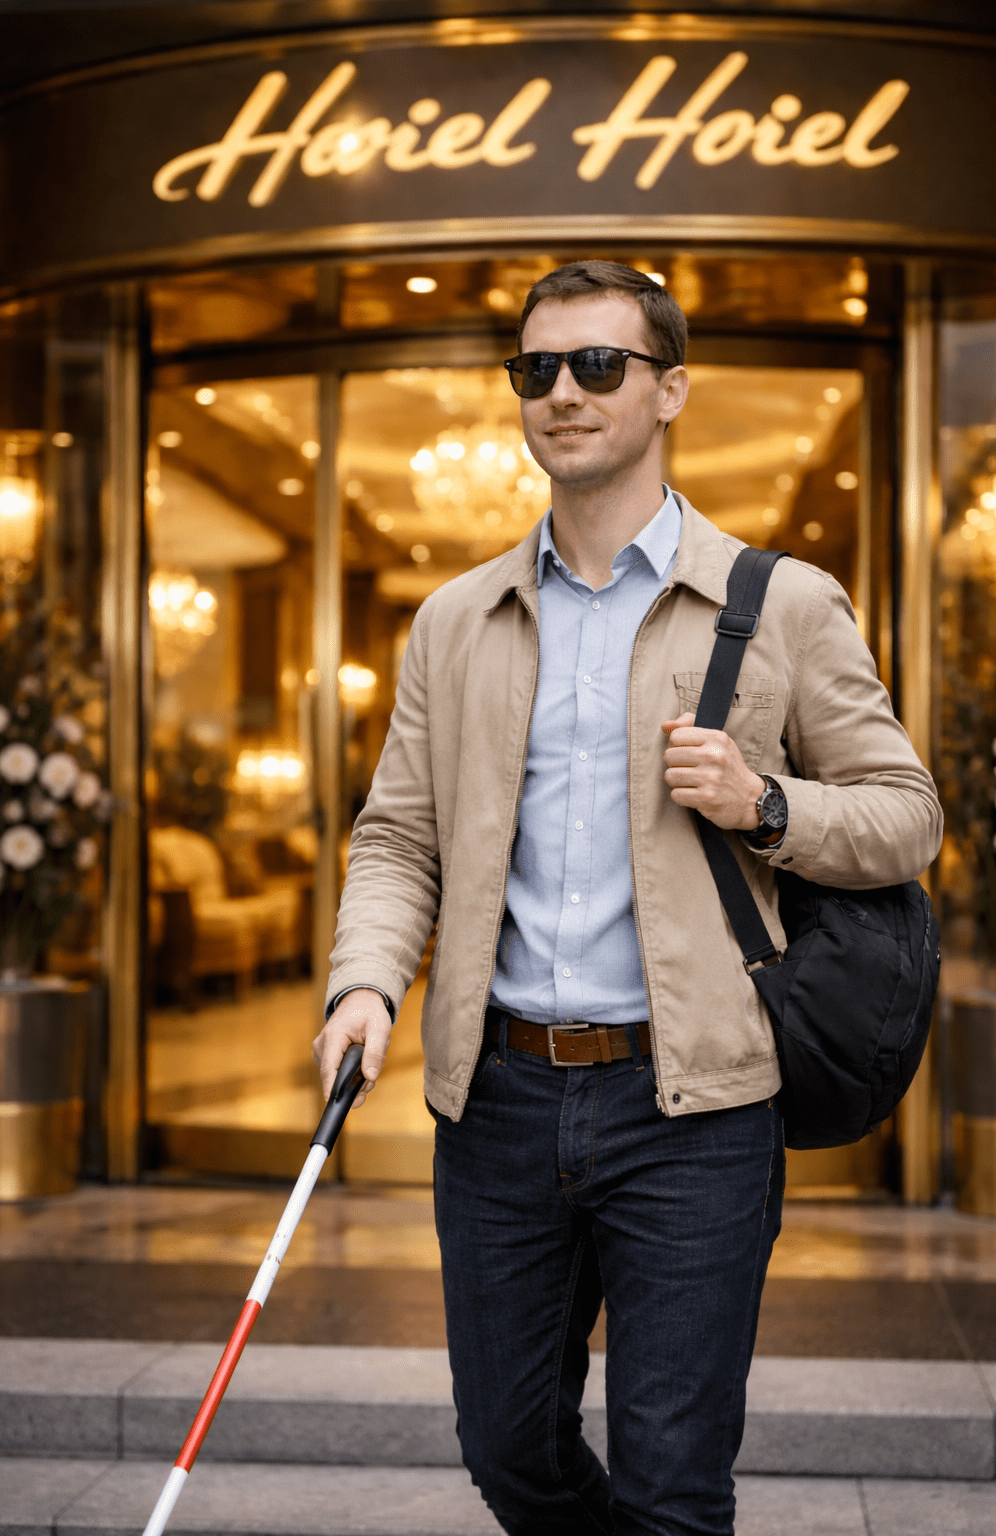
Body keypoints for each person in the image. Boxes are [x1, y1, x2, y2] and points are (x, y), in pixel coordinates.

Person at [314, 259, 942, 1535]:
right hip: (494, 1101)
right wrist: (364, 983)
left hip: (693, 1107)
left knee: (672, 1485)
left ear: (670, 390)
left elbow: (906, 816)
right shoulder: (455, 620)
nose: (562, 391)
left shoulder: (779, 605)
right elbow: (397, 838)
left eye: (598, 364)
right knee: (509, 1451)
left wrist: (765, 804)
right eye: (535, 368)